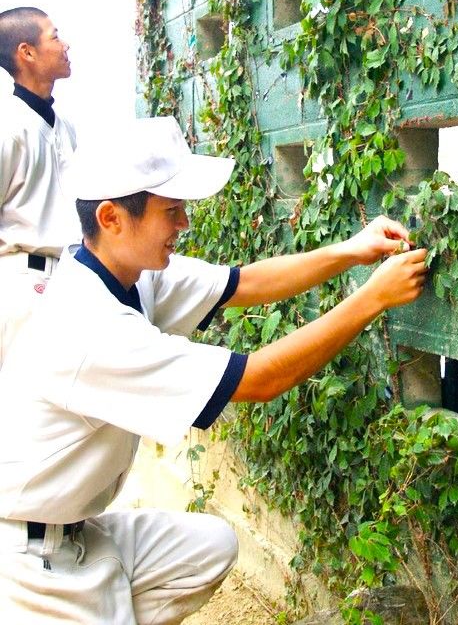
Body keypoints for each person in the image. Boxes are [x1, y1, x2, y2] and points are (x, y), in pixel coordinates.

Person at [0, 115, 427, 624]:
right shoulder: (89, 326)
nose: (183, 224)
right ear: (112, 218)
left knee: (210, 546)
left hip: (81, 532)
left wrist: (351, 251)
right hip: (30, 566)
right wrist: (372, 299)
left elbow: (243, 282)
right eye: (171, 210)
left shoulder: (125, 271)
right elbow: (261, 379)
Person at [0, 6, 78, 366]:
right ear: (26, 52)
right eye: (55, 36)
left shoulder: (64, 128)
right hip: (21, 287)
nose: (65, 45)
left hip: (69, 280)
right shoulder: (8, 129)